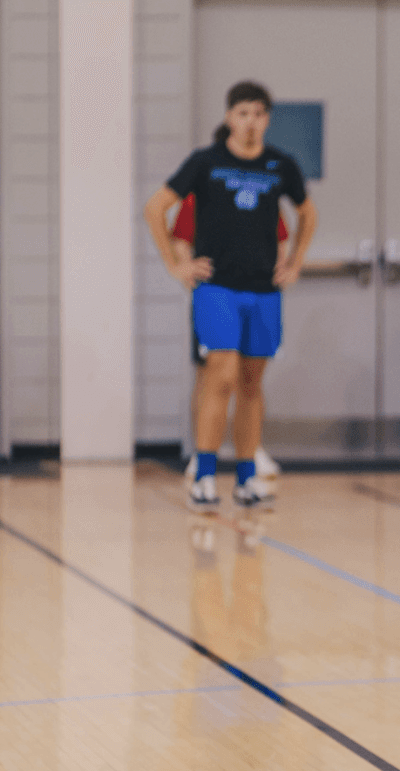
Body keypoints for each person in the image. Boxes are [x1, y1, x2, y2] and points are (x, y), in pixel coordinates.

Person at [143, 80, 318, 509]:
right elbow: (155, 207)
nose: (250, 121)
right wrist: (176, 265)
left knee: (251, 384)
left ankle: (245, 478)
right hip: (217, 288)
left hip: (263, 289)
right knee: (220, 377)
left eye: (258, 113)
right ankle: (204, 475)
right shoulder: (206, 162)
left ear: (267, 119)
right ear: (229, 117)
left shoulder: (280, 165)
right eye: (243, 113)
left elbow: (307, 212)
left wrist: (295, 262)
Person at [173, 138, 289, 482]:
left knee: (250, 377)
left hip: (256, 290)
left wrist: (282, 268)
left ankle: (250, 450)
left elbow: (281, 236)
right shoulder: (202, 188)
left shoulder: (263, 190)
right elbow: (180, 238)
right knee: (211, 374)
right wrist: (188, 272)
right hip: (216, 292)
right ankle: (202, 454)